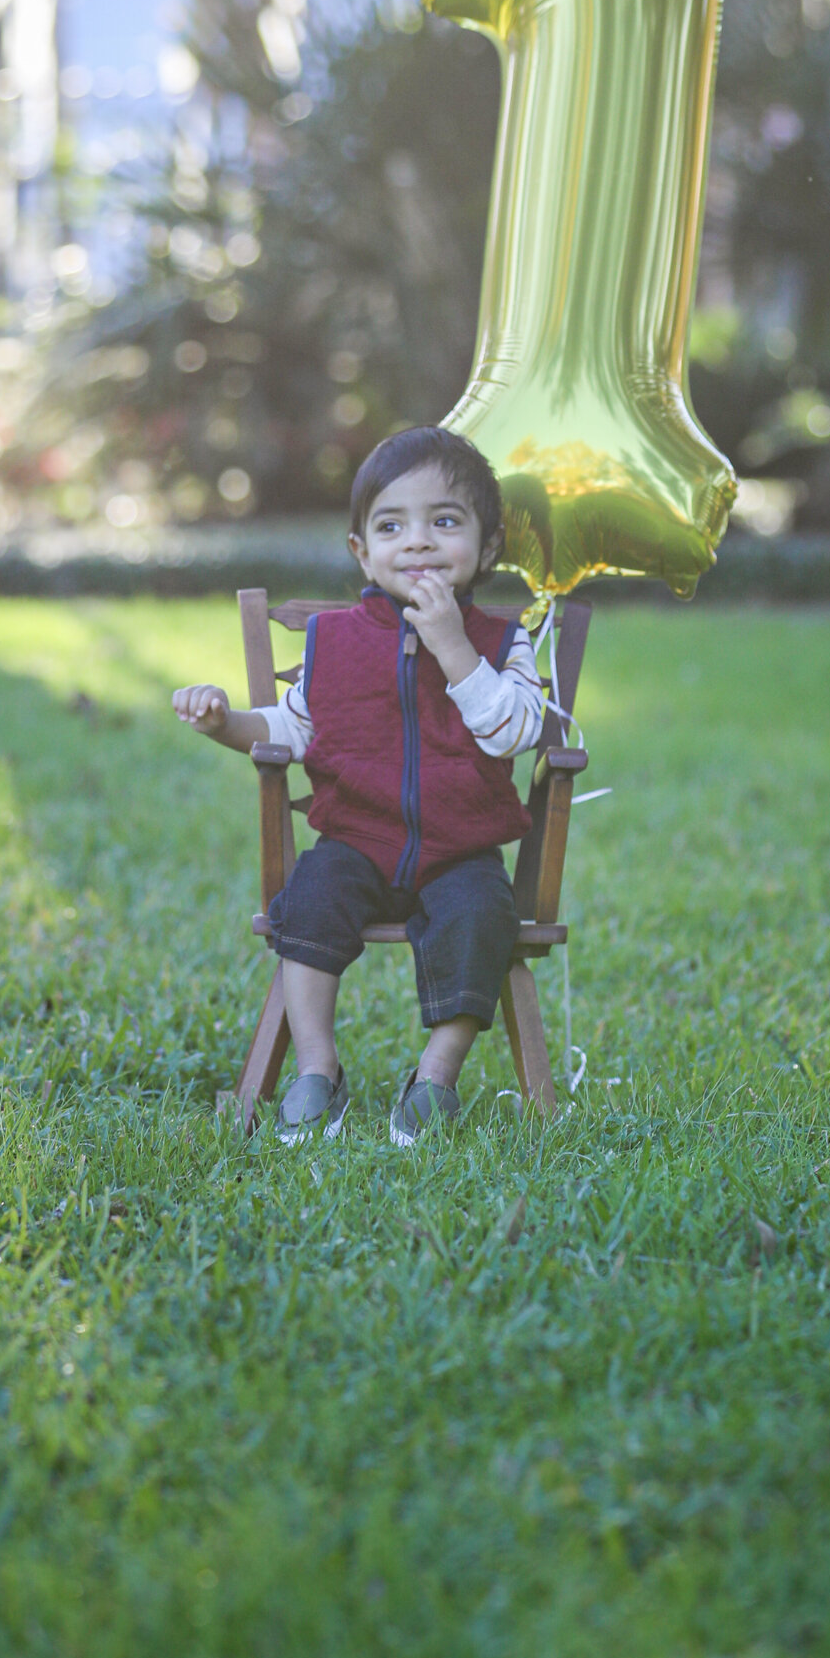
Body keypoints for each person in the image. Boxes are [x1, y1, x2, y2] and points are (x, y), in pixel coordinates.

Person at [172, 425, 546, 1145]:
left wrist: (454, 647)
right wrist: (223, 722)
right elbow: (291, 727)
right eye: (391, 525)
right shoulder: (336, 641)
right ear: (361, 551)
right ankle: (318, 1066)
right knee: (308, 899)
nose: (418, 542)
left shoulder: (502, 643)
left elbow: (513, 731)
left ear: (488, 547)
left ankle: (435, 1075)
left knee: (481, 915)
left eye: (445, 522)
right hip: (358, 842)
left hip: (459, 849)